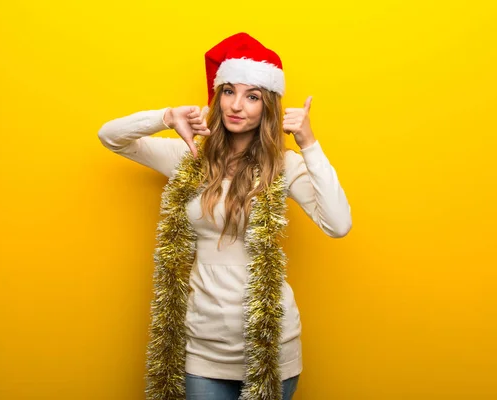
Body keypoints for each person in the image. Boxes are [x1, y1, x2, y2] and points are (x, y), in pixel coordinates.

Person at [97, 32, 352, 400]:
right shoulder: (188, 157)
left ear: (268, 107)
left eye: (252, 96)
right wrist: (166, 117)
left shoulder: (284, 166)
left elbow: (338, 224)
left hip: (270, 346)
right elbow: (110, 136)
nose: (237, 105)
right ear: (217, 98)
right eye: (229, 91)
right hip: (203, 345)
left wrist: (309, 144)